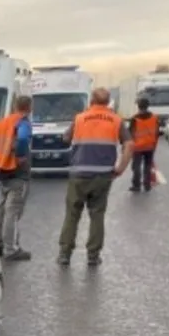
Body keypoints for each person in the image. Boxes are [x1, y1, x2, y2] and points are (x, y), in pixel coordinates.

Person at [56, 87, 133, 267]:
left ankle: (64, 254)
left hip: (79, 174)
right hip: (102, 175)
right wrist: (120, 167)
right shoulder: (116, 120)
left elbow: (65, 138)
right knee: (97, 215)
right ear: (108, 102)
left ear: (91, 100)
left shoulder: (80, 118)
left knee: (72, 215)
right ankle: (93, 255)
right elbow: (129, 144)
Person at [0, 95, 34, 261]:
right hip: (16, 171)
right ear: (29, 107)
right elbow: (24, 138)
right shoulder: (22, 122)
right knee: (13, 212)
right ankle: (11, 249)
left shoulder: (3, 123)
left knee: (0, 208)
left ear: (14, 106)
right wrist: (20, 156)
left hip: (1, 169)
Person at [128, 98, 159, 191]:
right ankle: (147, 185)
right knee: (148, 166)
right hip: (150, 146)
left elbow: (130, 133)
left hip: (137, 147)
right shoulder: (154, 118)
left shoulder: (135, 119)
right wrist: (154, 145)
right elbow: (157, 133)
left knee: (136, 166)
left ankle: (136, 185)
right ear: (147, 106)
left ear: (138, 106)